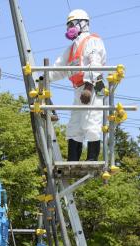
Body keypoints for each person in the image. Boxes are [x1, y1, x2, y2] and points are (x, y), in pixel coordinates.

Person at [49, 9, 106, 161]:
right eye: (68, 26)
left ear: (83, 23)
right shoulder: (73, 47)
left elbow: (95, 63)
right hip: (78, 89)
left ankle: (92, 158)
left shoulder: (92, 40)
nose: (69, 29)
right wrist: (41, 78)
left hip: (93, 86)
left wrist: (88, 87)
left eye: (72, 24)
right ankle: (73, 159)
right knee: (74, 125)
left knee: (91, 121)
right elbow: (59, 69)